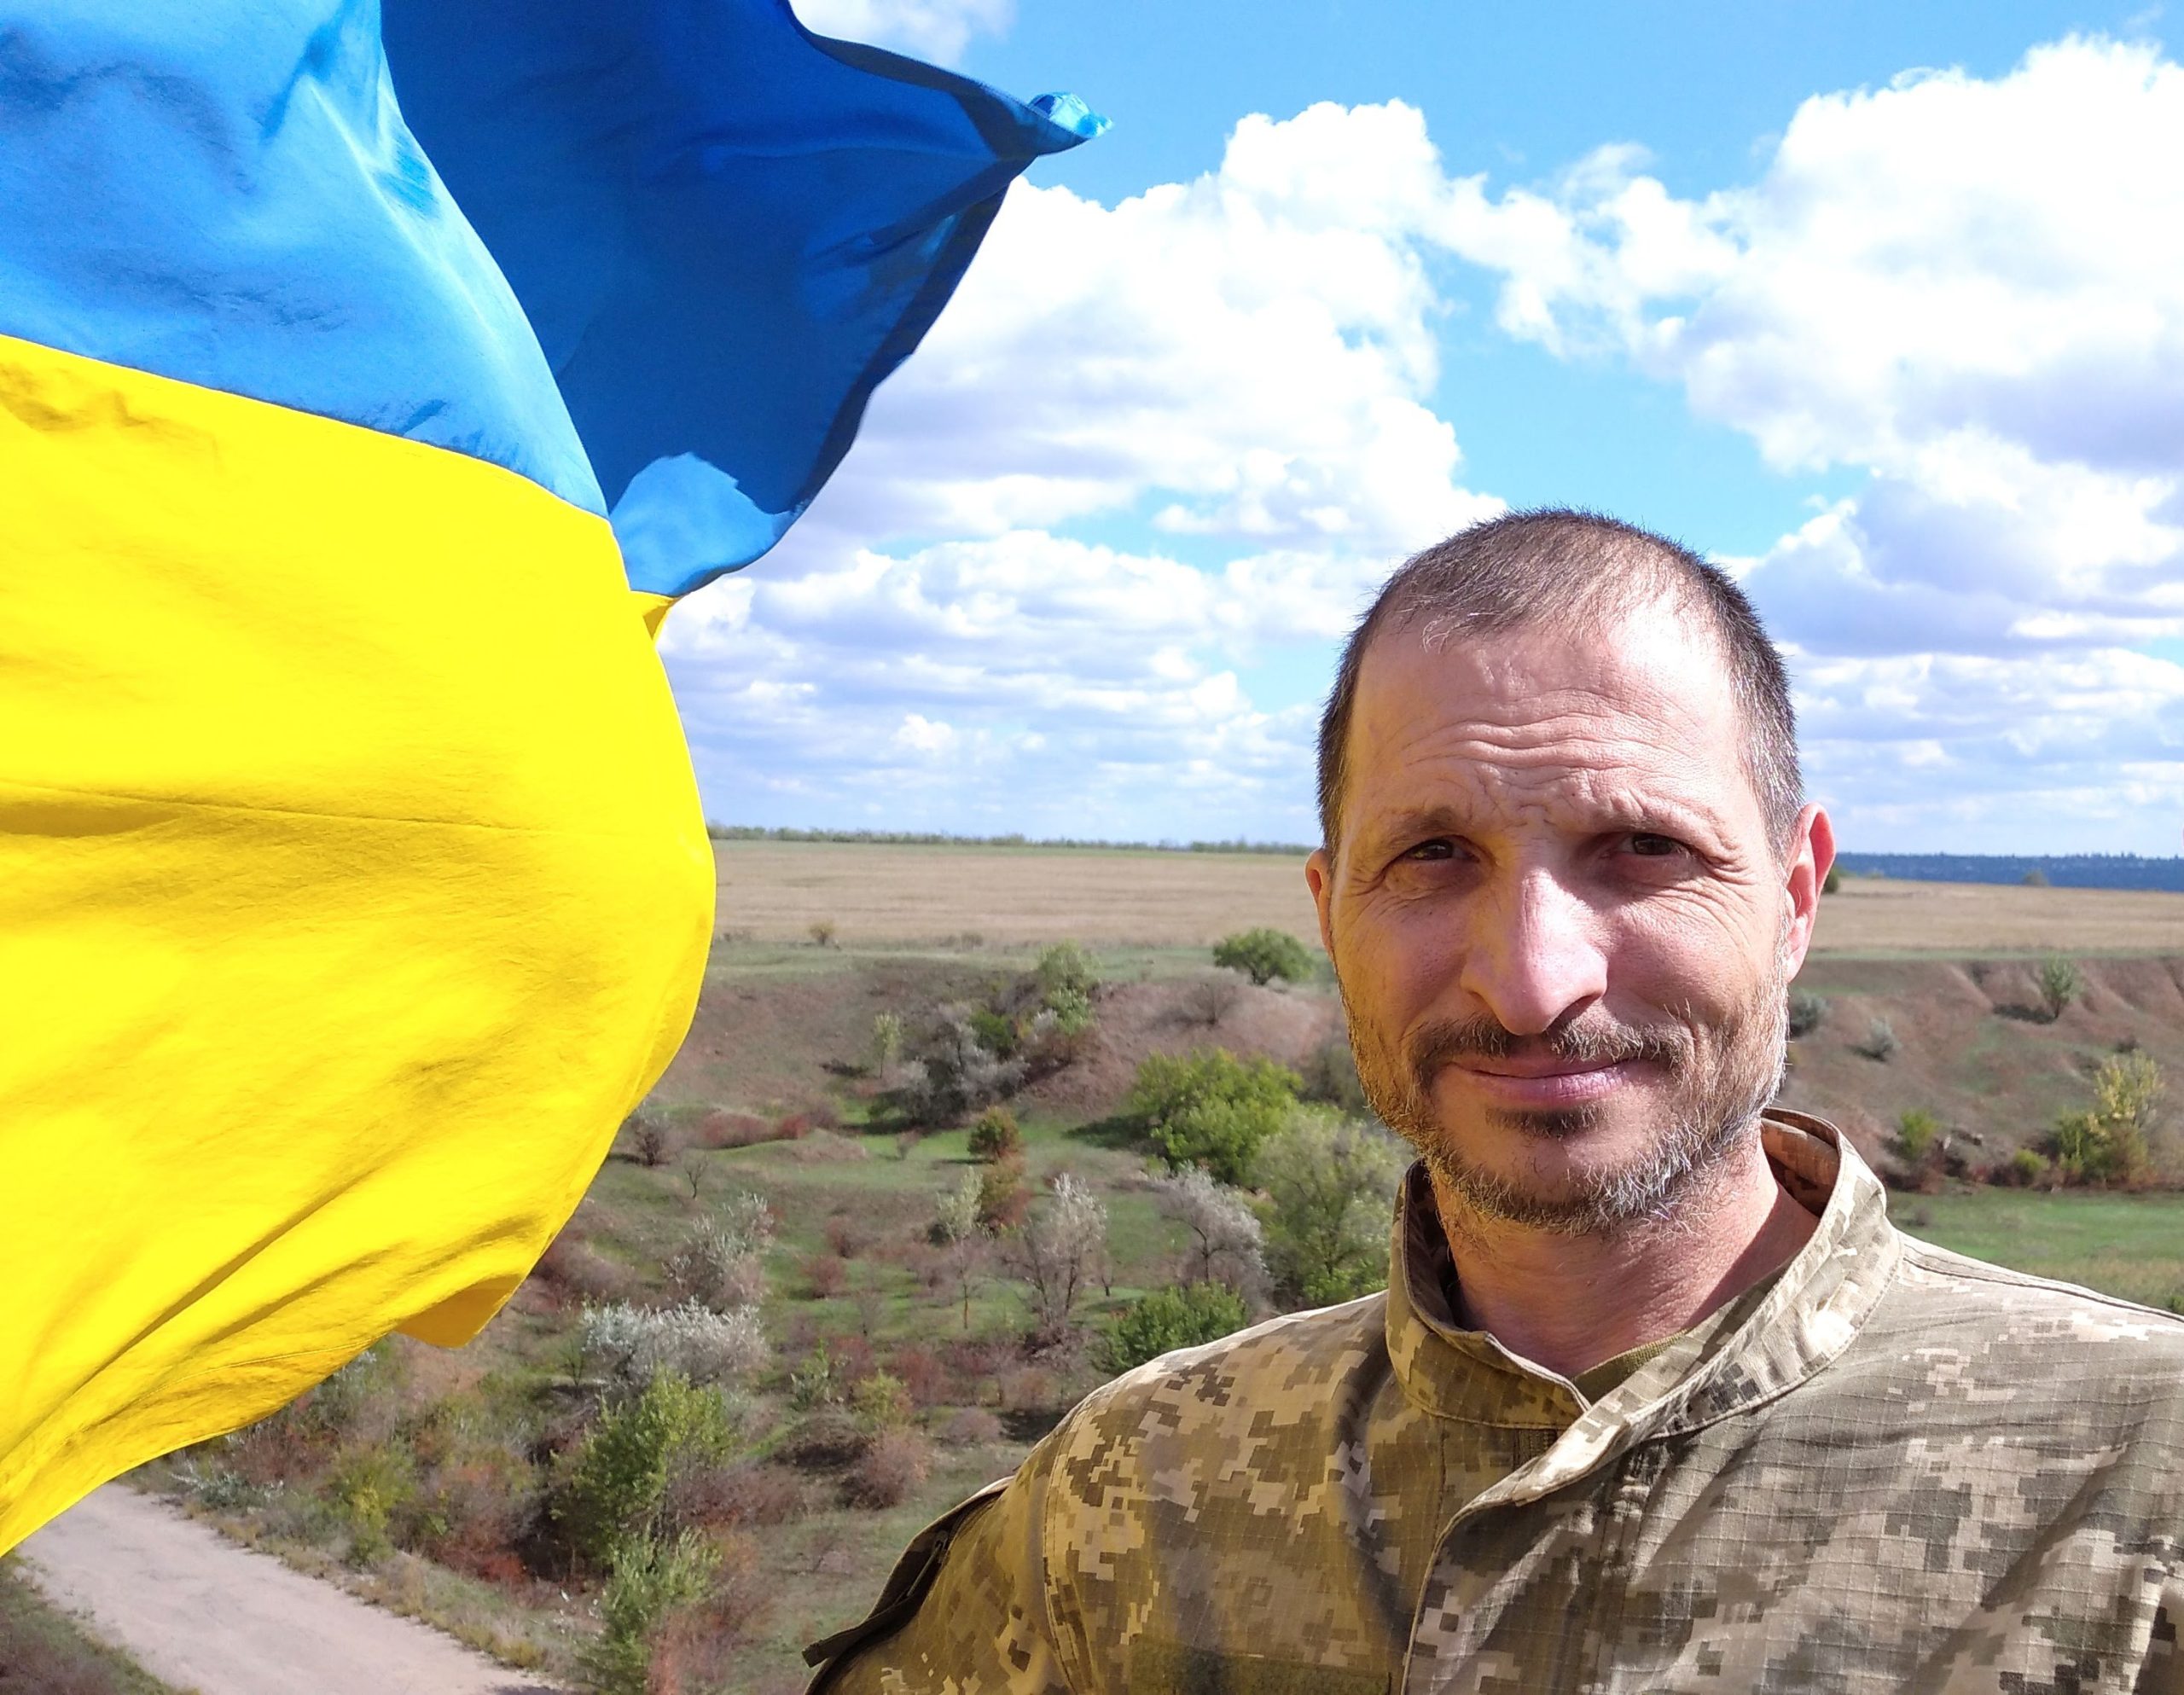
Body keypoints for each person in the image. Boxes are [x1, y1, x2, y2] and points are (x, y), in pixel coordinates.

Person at [805, 511, 2184, 1694]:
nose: (1532, 983)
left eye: (1641, 847)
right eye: (1431, 855)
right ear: (1328, 914)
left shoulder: (2137, 1478)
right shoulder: (1136, 1485)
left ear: (1796, 897)